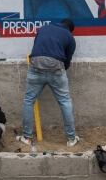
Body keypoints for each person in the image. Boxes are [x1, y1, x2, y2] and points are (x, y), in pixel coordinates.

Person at [19, 19, 79, 147]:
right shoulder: (70, 37)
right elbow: (67, 61)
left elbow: (36, 47)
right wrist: (59, 71)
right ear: (70, 29)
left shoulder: (43, 29)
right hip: (56, 69)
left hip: (36, 67)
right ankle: (71, 138)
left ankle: (26, 137)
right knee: (65, 102)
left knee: (29, 100)